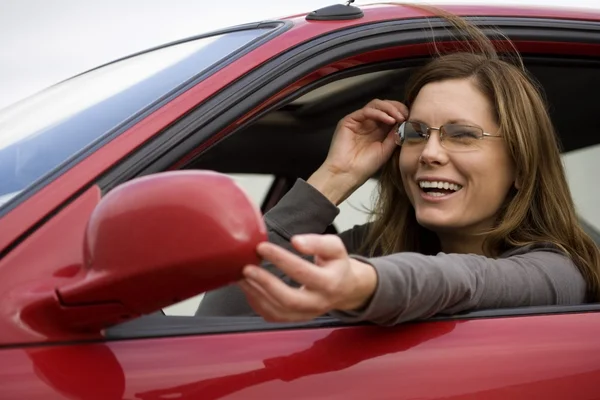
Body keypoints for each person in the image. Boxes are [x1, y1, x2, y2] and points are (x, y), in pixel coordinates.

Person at [197, 12, 600, 325]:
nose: (430, 152)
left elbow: (463, 281)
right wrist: (335, 176)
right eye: (418, 132)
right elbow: (219, 318)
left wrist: (361, 284)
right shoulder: (373, 245)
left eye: (462, 135)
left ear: (521, 168)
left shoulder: (558, 271)